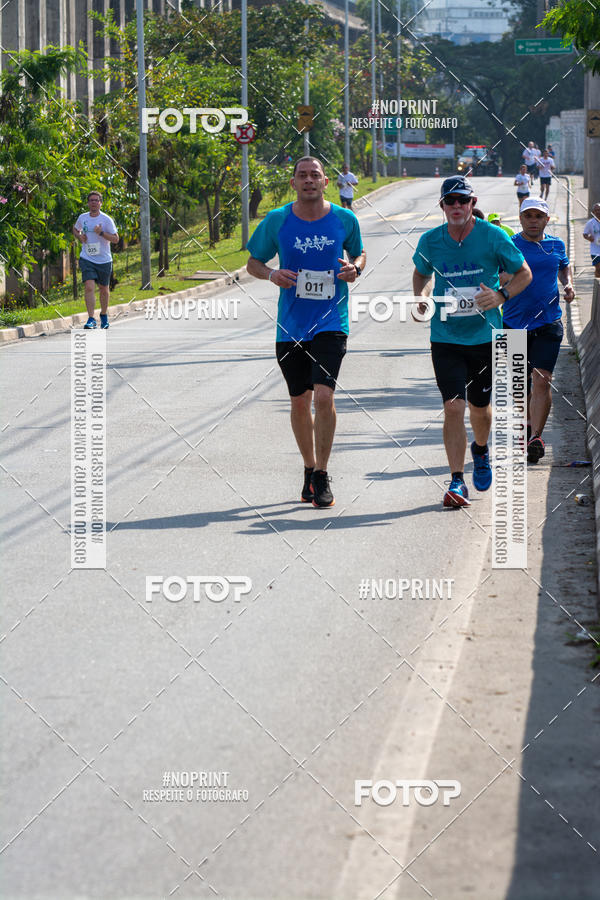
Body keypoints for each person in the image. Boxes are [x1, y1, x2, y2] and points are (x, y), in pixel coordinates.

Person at [246, 156, 366, 508]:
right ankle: (308, 467)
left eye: (315, 175)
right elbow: (253, 261)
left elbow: (359, 255)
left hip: (331, 322)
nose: (309, 181)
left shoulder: (345, 219)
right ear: (293, 183)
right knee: (300, 400)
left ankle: (323, 473)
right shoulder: (278, 220)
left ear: (326, 182)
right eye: (303, 176)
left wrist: (353, 269)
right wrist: (271, 274)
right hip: (291, 325)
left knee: (324, 396)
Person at [412, 175, 531, 508]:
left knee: (480, 408)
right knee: (453, 407)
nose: (457, 207)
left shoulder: (493, 237)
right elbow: (421, 272)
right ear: (442, 206)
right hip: (445, 336)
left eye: (463, 201)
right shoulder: (430, 241)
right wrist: (419, 296)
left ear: (473, 204)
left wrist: (502, 295)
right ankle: (456, 481)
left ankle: (480, 450)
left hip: (484, 337)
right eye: (450, 201)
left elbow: (524, 273)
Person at [501, 197, 574, 464]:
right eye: (528, 216)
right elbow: (496, 272)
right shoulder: (509, 245)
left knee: (542, 380)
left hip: (549, 323)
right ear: (520, 219)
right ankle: (530, 425)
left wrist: (568, 284)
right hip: (513, 322)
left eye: (538, 216)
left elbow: (564, 265)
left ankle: (536, 438)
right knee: (519, 386)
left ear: (546, 219)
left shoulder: (556, 244)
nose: (533, 220)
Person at [73, 191, 119, 329]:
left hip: (104, 260)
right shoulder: (82, 217)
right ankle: (91, 318)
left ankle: (104, 316)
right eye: (91, 200)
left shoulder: (106, 220)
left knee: (104, 289)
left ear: (100, 203)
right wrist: (79, 236)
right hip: (87, 258)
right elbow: (75, 229)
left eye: (96, 200)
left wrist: (102, 233)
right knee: (89, 287)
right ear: (88, 203)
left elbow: (116, 239)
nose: (94, 202)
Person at [583, 202, 600, 277]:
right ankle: (597, 285)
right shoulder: (590, 223)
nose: (598, 212)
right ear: (593, 212)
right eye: (596, 210)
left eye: (599, 210)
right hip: (595, 250)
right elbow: (585, 234)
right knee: (598, 268)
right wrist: (589, 237)